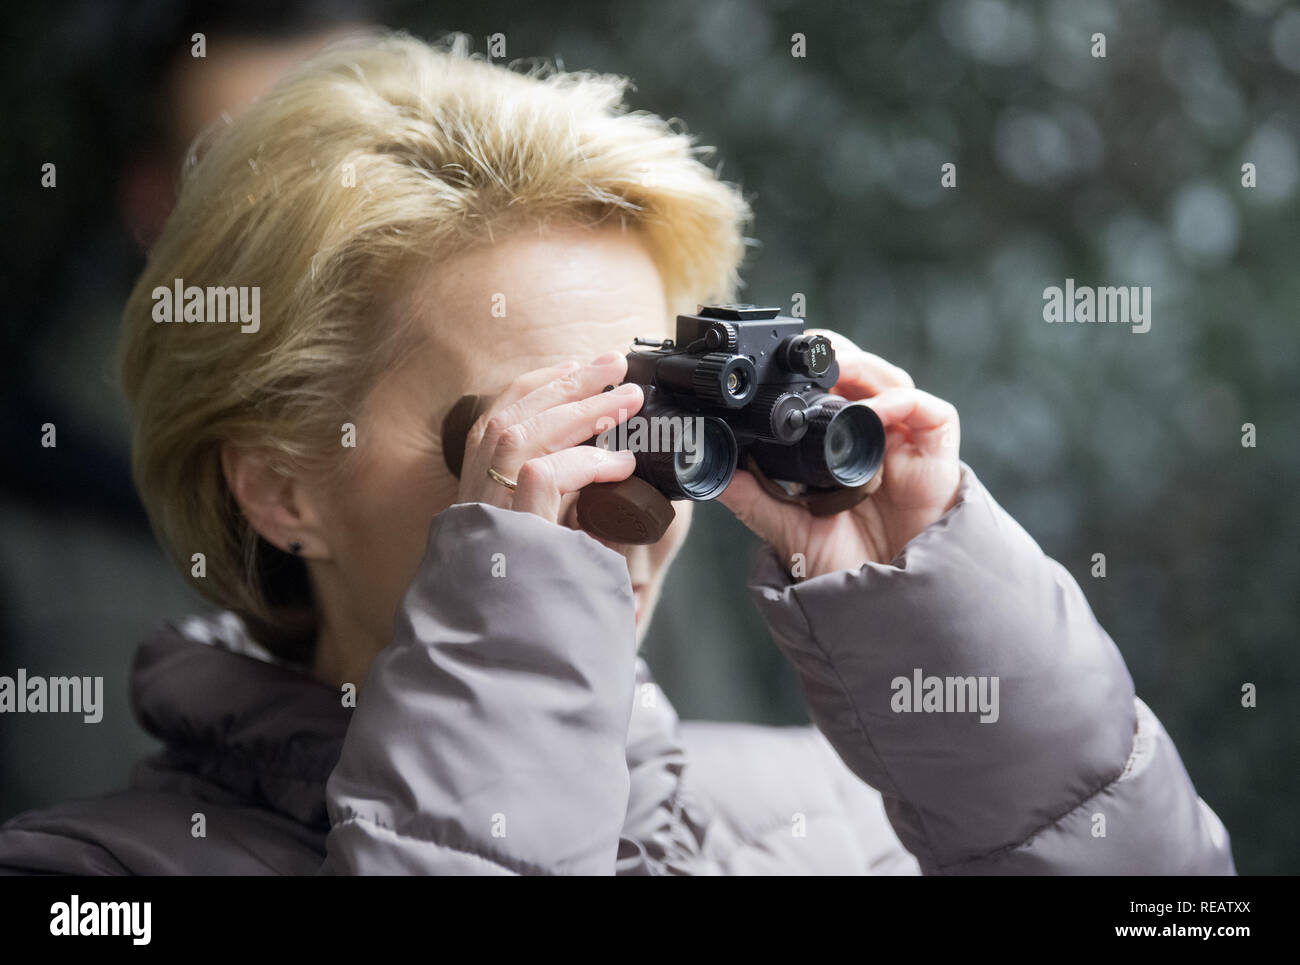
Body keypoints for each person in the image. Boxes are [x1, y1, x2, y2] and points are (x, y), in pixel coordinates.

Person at [0, 30, 1234, 875]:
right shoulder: (90, 874)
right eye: (528, 435)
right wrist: (515, 619)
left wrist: (951, 638)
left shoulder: (850, 808)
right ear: (277, 487)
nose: (625, 487)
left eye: (650, 415)